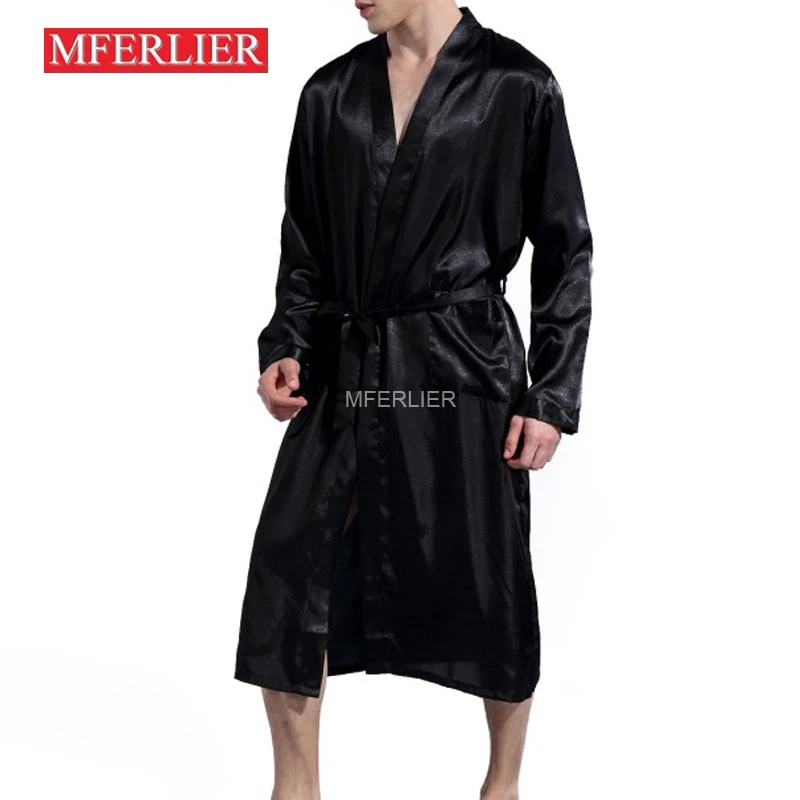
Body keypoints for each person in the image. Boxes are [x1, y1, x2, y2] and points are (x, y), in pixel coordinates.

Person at [235, 1, 593, 797]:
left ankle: (502, 786)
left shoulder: (517, 84)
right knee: (289, 574)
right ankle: (296, 789)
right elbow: (304, 249)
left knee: (492, 577)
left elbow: (565, 249)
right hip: (348, 366)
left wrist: (551, 393)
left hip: (465, 369)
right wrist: (286, 344)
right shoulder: (330, 93)